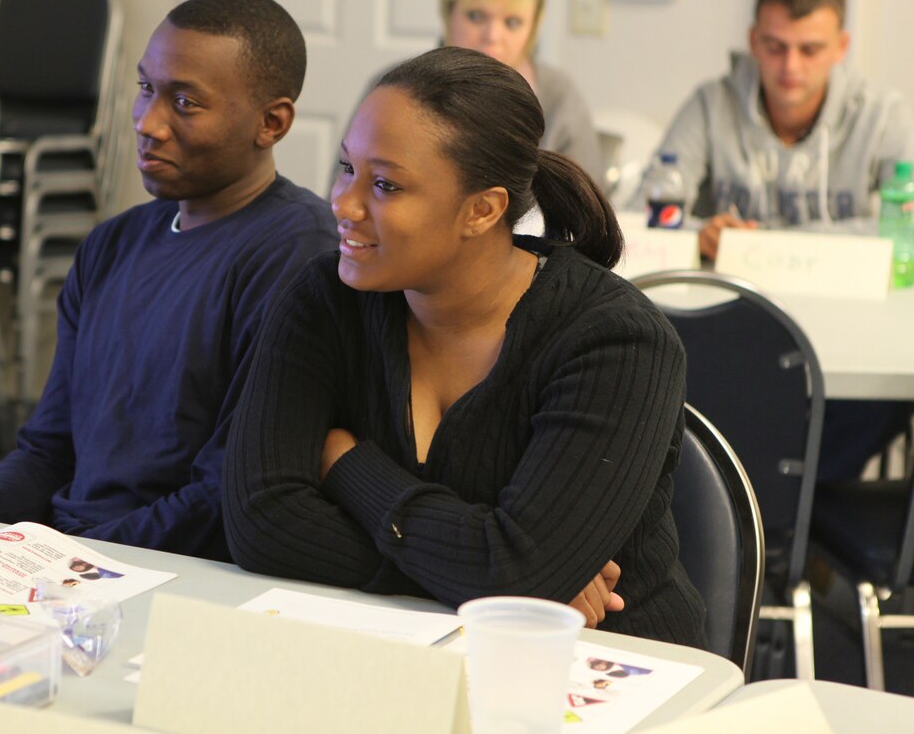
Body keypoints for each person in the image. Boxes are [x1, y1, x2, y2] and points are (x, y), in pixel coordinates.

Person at [224, 46, 708, 645]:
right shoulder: (326, 297)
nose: (343, 205)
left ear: (482, 210)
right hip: (394, 652)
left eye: (384, 184)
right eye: (347, 168)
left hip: (608, 668)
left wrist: (348, 467)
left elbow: (520, 571)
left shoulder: (617, 341)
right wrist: (480, 579)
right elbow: (258, 521)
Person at [0, 0, 338, 560]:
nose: (148, 123)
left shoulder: (295, 253)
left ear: (271, 122)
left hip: (171, 567)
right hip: (74, 552)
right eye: (146, 88)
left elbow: (226, 490)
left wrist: (70, 556)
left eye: (186, 102)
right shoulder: (112, 245)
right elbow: (50, 448)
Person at [643, 0, 914, 261]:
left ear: (841, 47)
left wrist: (771, 245)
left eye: (810, 50)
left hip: (842, 289)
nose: (791, 66)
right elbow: (641, 211)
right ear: (753, 41)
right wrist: (700, 235)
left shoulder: (882, 113)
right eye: (775, 47)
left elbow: (905, 226)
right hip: (730, 289)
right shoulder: (711, 104)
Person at [331, 0, 603, 196]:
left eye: (512, 22)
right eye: (476, 16)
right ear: (449, 12)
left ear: (533, 28)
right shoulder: (391, 88)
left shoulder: (558, 96)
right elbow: (342, 195)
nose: (492, 35)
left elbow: (588, 216)